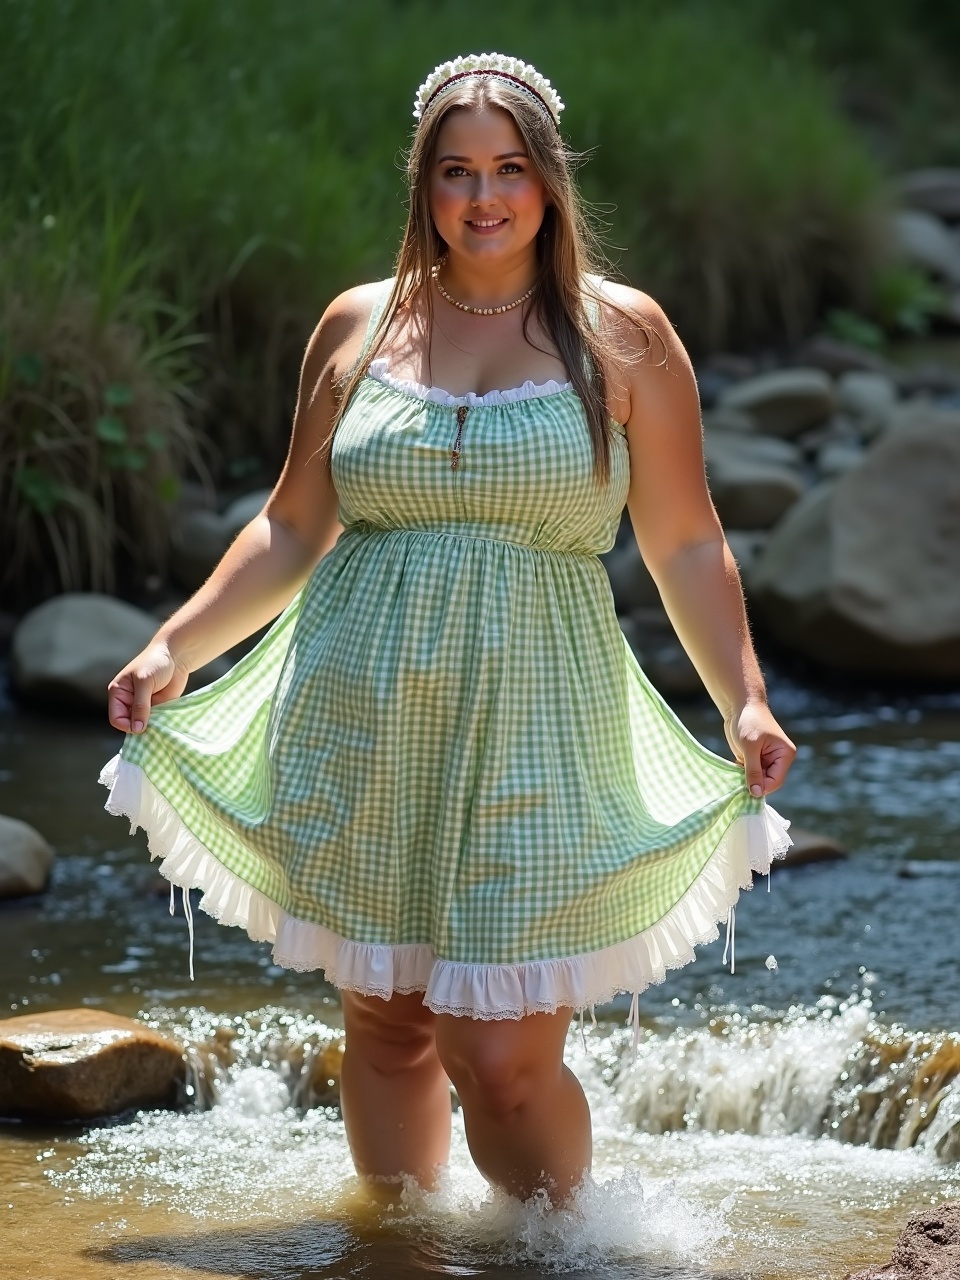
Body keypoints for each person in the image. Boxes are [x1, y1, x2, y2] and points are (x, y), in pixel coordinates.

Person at [101, 53, 796, 1209]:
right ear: (422, 186)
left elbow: (683, 540)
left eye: (511, 168)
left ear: (550, 182)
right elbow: (291, 523)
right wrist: (176, 642)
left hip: (538, 715)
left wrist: (745, 697)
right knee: (387, 1021)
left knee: (505, 1058)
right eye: (457, 171)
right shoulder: (358, 326)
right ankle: (399, 1243)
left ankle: (570, 1252)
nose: (485, 197)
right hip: (363, 708)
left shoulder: (620, 334)